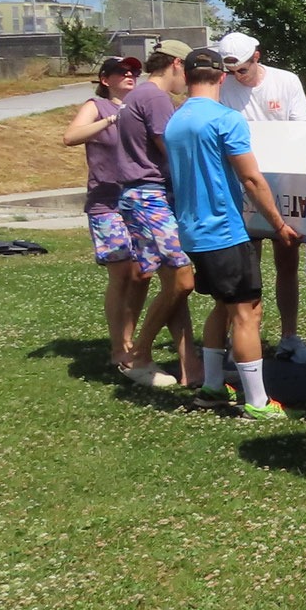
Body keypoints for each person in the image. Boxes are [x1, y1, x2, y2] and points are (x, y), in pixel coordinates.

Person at [163, 47, 302, 419]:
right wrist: (279, 224)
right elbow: (251, 178)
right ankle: (257, 403)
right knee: (247, 313)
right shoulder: (226, 119)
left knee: (223, 306)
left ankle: (212, 386)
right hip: (224, 230)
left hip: (193, 230)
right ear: (222, 78)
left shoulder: (176, 119)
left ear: (186, 76)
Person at [217, 31, 306, 365]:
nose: (237, 76)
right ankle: (241, 339)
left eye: (242, 69)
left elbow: (302, 132)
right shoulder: (223, 88)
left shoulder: (285, 81)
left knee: (287, 262)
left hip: (282, 182)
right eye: (231, 70)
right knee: (245, 268)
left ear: (256, 58)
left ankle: (289, 337)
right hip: (242, 182)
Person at [63, 56, 153, 371]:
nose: (130, 75)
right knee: (122, 273)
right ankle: (119, 348)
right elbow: (70, 137)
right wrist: (111, 121)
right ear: (105, 79)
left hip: (139, 200)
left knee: (142, 274)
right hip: (107, 203)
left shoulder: (140, 108)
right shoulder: (97, 107)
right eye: (122, 72)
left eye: (134, 71)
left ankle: (131, 341)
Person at [120, 41, 198, 389]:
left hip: (140, 196)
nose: (188, 81)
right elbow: (171, 148)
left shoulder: (137, 95)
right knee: (183, 281)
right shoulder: (155, 97)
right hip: (150, 197)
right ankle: (137, 356)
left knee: (173, 285)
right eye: (188, 72)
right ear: (176, 64)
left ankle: (191, 367)